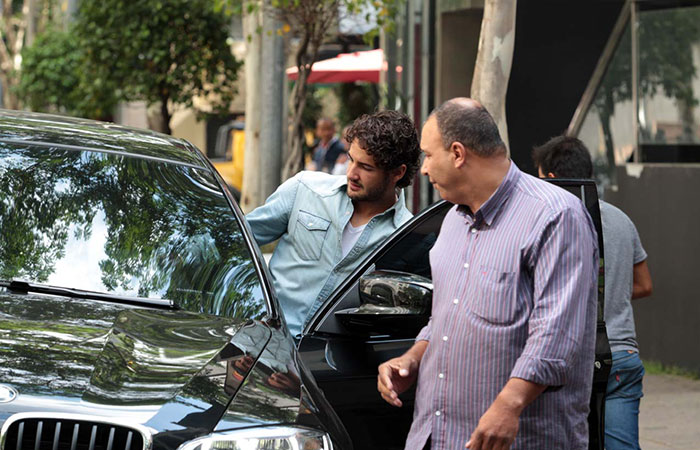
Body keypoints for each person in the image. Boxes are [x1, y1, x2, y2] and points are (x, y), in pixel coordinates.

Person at [377, 98, 599, 450]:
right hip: (439, 436)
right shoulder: (452, 220)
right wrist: (413, 358)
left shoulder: (555, 216)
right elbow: (446, 317)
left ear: (458, 153)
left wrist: (508, 404)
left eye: (428, 155)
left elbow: (556, 334)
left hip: (520, 439)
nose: (422, 169)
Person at [246, 110, 421, 338]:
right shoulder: (305, 189)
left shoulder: (406, 237)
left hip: (330, 365)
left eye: (366, 167)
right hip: (266, 345)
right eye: (351, 160)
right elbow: (236, 241)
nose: (351, 174)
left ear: (397, 173)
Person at [532, 135, 653, 450]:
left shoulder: (547, 220)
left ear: (554, 179)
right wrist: (610, 294)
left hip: (570, 358)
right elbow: (643, 285)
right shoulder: (621, 220)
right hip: (622, 355)